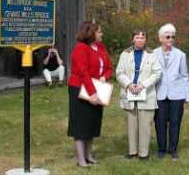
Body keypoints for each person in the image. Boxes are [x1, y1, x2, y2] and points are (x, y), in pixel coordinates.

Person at [67, 20, 113, 169]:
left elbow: (108, 67)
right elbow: (83, 72)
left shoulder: (100, 47)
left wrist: (105, 77)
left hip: (97, 87)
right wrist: (92, 93)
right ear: (91, 33)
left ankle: (89, 155)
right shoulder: (80, 48)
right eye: (99, 31)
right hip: (80, 89)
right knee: (81, 124)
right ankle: (81, 159)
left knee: (92, 123)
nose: (101, 34)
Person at [116, 28, 162, 162]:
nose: (140, 40)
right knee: (131, 124)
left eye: (142, 37)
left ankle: (143, 153)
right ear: (133, 39)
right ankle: (132, 151)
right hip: (129, 92)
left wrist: (143, 85)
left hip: (145, 93)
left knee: (145, 125)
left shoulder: (151, 54)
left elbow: (157, 73)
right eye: (137, 37)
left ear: (146, 40)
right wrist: (129, 84)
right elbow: (119, 72)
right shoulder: (125, 54)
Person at [154, 23, 189, 159]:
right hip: (159, 94)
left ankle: (173, 149)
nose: (170, 39)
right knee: (160, 123)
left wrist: (187, 97)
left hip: (177, 94)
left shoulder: (181, 55)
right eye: (167, 36)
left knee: (175, 122)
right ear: (160, 38)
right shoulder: (153, 54)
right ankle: (161, 149)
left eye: (173, 37)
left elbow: (184, 76)